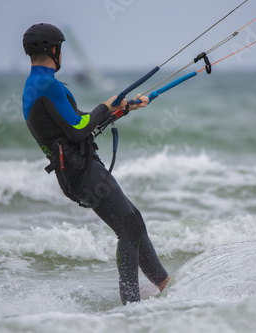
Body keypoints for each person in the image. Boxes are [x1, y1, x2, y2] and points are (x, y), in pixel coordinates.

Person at [21, 23, 170, 305]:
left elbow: (77, 122)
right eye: (60, 48)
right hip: (81, 172)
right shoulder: (47, 84)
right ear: (53, 49)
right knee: (128, 227)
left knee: (133, 221)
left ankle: (163, 284)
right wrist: (106, 104)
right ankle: (131, 305)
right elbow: (79, 129)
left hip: (76, 171)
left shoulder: (36, 84)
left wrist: (120, 109)